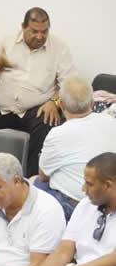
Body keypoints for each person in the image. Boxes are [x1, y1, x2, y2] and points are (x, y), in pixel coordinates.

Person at [0, 7, 76, 176]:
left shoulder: (59, 47)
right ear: (23, 27)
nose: (40, 36)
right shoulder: (5, 41)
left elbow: (69, 84)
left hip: (33, 110)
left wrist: (54, 102)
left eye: (45, 31)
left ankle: (30, 181)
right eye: (34, 31)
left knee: (48, 121)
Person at [35, 76, 116, 220]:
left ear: (61, 104)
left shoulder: (57, 134)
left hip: (75, 205)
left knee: (34, 184)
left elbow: (43, 175)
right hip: (109, 201)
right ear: (92, 102)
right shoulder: (111, 122)